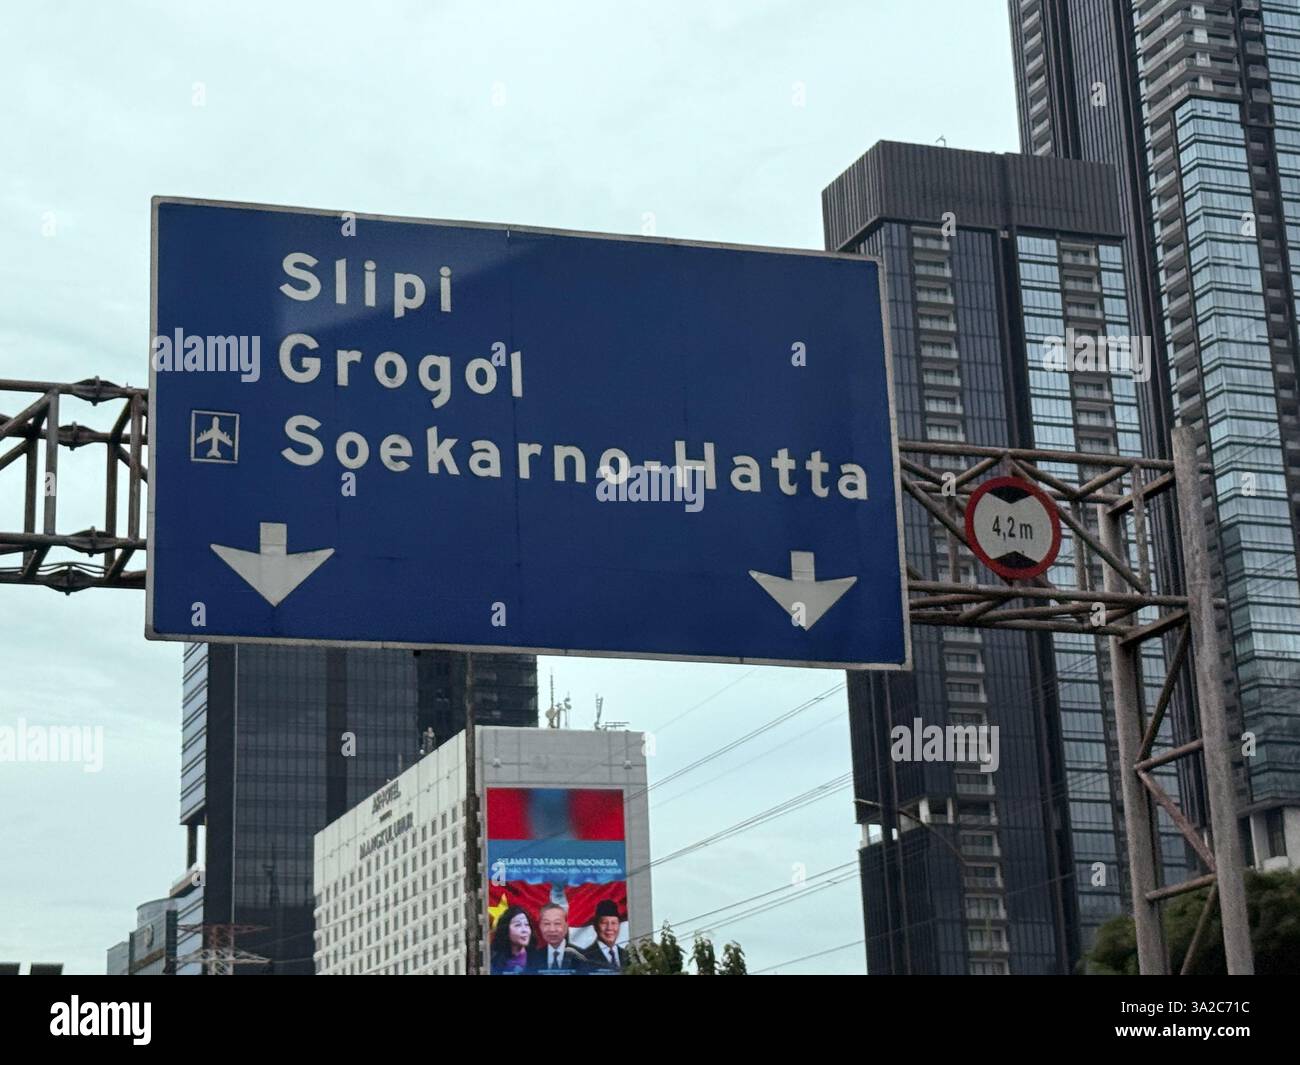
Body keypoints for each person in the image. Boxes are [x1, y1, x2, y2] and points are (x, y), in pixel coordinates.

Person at [527, 903, 588, 972]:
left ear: (566, 926)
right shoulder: (532, 958)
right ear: (540, 926)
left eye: (557, 923)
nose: (552, 929)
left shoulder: (582, 957)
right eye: (546, 923)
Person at [581, 899, 628, 971]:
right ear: (595, 926)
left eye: (614, 923)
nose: (609, 928)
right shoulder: (584, 958)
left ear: (619, 925)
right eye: (604, 923)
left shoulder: (628, 956)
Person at [489, 906, 535, 975]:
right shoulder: (493, 962)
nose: (524, 930)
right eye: (518, 925)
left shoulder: (538, 958)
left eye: (527, 925)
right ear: (506, 929)